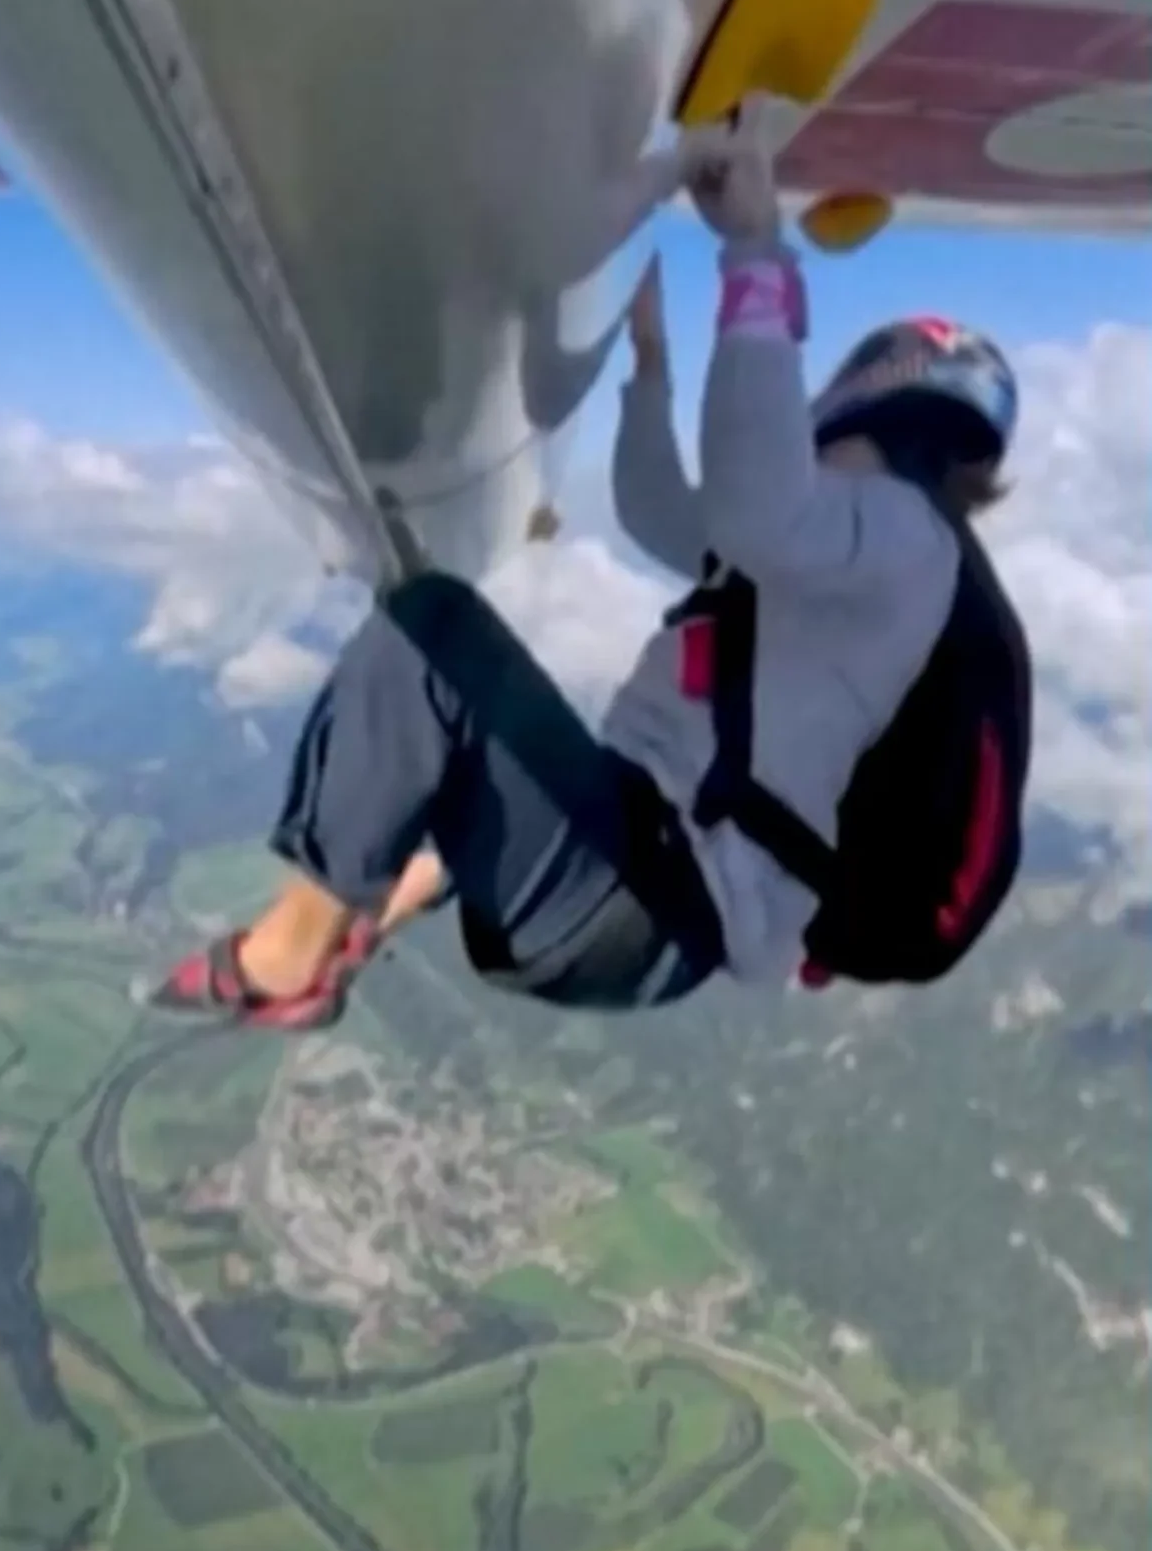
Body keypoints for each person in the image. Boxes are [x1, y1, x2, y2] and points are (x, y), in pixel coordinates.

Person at [146, 125, 1025, 1030]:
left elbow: (753, 507)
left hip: (649, 897)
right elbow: (659, 511)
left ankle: (289, 957)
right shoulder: (829, 572)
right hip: (635, 877)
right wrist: (649, 366)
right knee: (458, 707)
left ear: (866, 412)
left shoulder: (905, 538)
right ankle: (384, 900)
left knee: (431, 636)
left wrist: (754, 251)